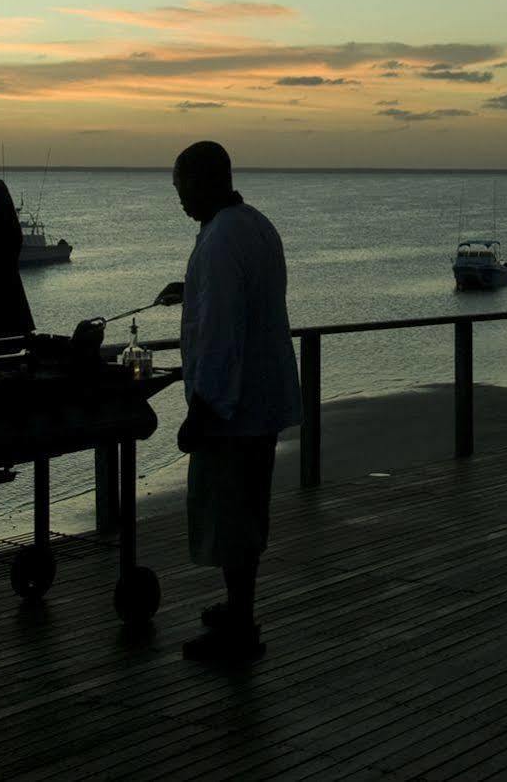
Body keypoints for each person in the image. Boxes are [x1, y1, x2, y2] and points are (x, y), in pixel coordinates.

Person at [167, 140, 302, 663]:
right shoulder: (254, 226)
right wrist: (191, 287)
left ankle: (240, 630)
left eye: (181, 186)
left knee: (231, 518)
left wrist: (200, 410)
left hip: (233, 407)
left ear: (204, 181)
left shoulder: (221, 240)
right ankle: (236, 607)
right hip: (261, 400)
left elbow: (222, 334)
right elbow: (241, 297)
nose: (178, 197)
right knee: (247, 512)